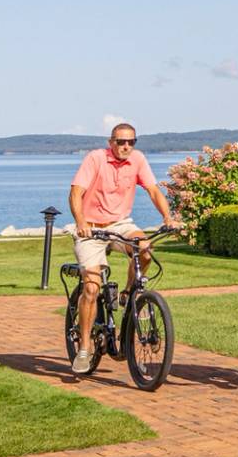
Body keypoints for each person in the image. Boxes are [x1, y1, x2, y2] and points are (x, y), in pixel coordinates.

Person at [68, 121, 178, 373]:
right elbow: (75, 192)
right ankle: (84, 348)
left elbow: (153, 190)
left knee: (145, 249)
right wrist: (81, 222)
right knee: (92, 288)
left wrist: (167, 217)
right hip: (92, 228)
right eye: (121, 141)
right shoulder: (96, 159)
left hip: (120, 224)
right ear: (111, 142)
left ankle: (129, 294)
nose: (126, 146)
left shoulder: (138, 160)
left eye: (131, 142)